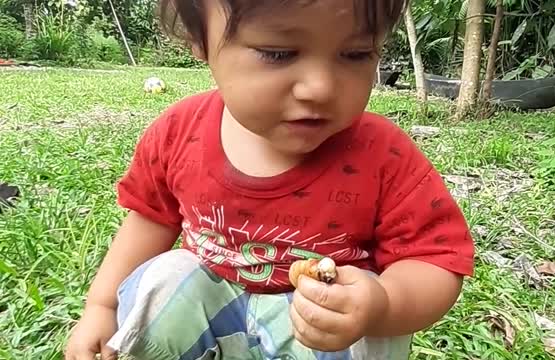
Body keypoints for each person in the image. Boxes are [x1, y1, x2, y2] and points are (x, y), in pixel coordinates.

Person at [64, 0, 475, 359]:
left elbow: (434, 261)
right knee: (164, 279)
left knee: (371, 324)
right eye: (278, 53)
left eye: (355, 54)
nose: (320, 87)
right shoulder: (178, 133)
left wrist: (382, 305)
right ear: (199, 38)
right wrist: (100, 308)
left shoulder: (385, 154)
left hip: (320, 336)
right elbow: (151, 219)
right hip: (212, 316)